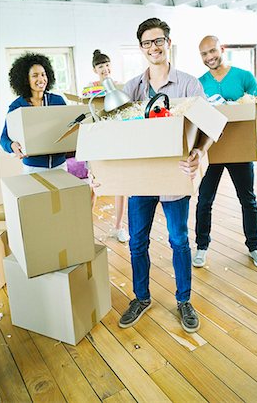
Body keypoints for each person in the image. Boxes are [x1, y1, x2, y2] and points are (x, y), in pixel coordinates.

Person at [118, 18, 213, 333]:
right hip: (141, 178)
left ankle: (184, 299)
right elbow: (109, 130)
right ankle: (141, 297)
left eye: (158, 41)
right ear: (142, 48)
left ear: (168, 43)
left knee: (178, 239)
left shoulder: (188, 84)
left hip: (174, 175)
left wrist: (199, 152)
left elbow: (210, 125)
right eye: (147, 43)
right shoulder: (132, 88)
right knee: (136, 242)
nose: (153, 47)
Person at [193, 35, 257, 270]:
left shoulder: (244, 76)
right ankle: (201, 246)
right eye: (204, 54)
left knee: (248, 199)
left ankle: (254, 246)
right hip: (211, 150)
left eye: (212, 51)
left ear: (222, 49)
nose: (209, 57)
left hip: (240, 149)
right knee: (204, 200)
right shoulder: (199, 83)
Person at [84, 50, 129, 243]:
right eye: (101, 66)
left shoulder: (119, 87)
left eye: (107, 65)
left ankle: (118, 226)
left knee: (121, 186)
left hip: (119, 141)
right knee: (94, 186)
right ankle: (83, 227)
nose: (105, 69)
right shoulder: (90, 91)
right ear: (95, 70)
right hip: (98, 142)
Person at [0, 52, 67, 173]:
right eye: (35, 75)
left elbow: (69, 128)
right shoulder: (17, 106)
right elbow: (3, 138)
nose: (41, 79)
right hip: (33, 167)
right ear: (26, 79)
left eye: (43, 74)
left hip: (60, 165)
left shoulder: (58, 100)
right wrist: (12, 146)